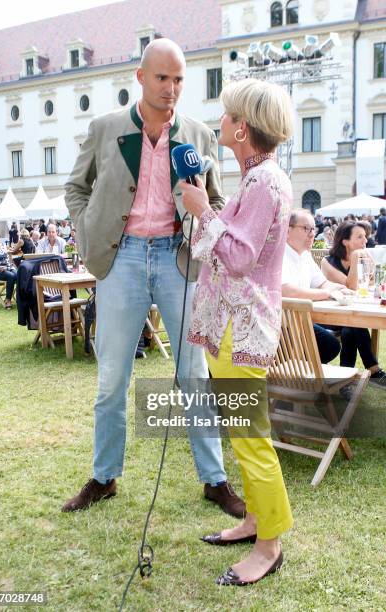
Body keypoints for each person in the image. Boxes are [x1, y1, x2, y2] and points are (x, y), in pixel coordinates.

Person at [63, 38, 245, 517]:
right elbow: (75, 187)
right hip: (120, 260)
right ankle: (104, 477)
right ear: (140, 78)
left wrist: (203, 213)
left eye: (179, 79)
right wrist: (88, 231)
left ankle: (215, 480)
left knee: (194, 375)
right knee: (111, 378)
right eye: (162, 78)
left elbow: (220, 201)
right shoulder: (105, 129)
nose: (171, 88)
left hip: (177, 259)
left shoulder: (200, 137)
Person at [181, 77, 293, 585]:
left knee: (251, 437)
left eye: (226, 116)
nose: (219, 122)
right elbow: (229, 243)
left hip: (243, 328)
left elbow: (241, 256)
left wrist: (203, 210)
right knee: (243, 434)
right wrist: (205, 206)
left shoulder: (264, 182)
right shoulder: (256, 179)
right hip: (234, 326)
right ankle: (255, 521)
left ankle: (269, 546)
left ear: (242, 128)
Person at [321, 221, 386, 386]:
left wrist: (369, 266)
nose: (365, 241)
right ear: (345, 241)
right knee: (353, 326)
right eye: (359, 237)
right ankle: (374, 371)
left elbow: (371, 288)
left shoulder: (364, 258)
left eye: (365, 236)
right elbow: (351, 287)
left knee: (351, 330)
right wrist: (357, 258)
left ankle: (345, 382)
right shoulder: (327, 262)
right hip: (330, 316)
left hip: (351, 317)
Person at [282, 209, 349, 364]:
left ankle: (302, 372)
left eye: (313, 229)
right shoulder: (279, 255)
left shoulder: (304, 255)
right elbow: (287, 291)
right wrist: (326, 294)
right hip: (284, 324)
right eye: (306, 228)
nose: (312, 234)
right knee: (330, 345)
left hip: (302, 318)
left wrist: (343, 290)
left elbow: (322, 283)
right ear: (287, 230)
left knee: (344, 334)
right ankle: (296, 372)